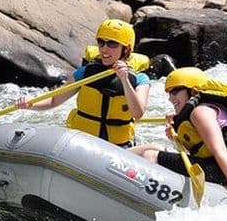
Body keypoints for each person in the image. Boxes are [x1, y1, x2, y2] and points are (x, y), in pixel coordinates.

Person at [16, 19, 150, 147]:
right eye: (101, 42)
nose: (104, 49)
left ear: (126, 49)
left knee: (150, 152)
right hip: (83, 144)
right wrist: (31, 103)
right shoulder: (85, 72)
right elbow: (53, 100)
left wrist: (125, 80)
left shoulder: (140, 79)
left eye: (112, 44)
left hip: (118, 147)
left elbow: (138, 113)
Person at [129, 67, 227, 206]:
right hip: (223, 167)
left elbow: (220, 150)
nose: (170, 98)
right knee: (154, 148)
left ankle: (143, 204)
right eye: (169, 93)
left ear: (192, 91)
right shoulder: (199, 111)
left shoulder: (201, 113)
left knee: (151, 155)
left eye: (175, 91)